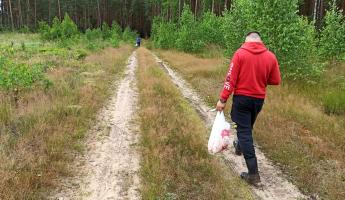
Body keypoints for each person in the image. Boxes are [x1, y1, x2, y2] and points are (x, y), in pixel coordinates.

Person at [216, 31, 281, 186]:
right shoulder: (270, 56)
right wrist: (260, 79)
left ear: (247, 41)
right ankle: (239, 146)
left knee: (245, 132)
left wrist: (222, 99)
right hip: (258, 100)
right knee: (246, 127)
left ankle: (253, 174)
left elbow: (230, 79)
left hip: (242, 100)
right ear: (259, 41)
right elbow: (276, 80)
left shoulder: (240, 54)